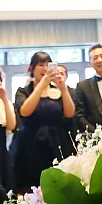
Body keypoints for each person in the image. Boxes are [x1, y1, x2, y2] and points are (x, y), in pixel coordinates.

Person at [11, 52, 76, 191]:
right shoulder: (23, 91)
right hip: (30, 144)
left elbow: (69, 113)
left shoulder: (57, 90)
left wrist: (63, 88)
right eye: (41, 65)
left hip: (57, 142)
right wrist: (41, 85)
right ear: (31, 68)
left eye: (48, 65)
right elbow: (25, 111)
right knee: (31, 186)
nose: (45, 68)